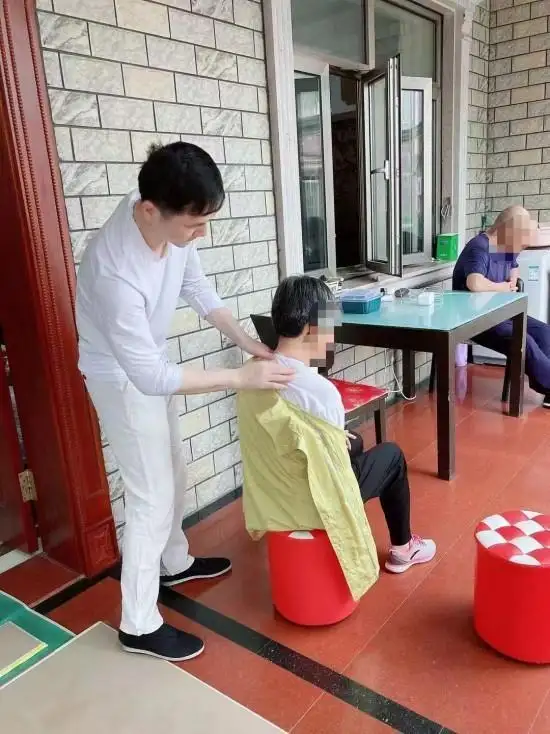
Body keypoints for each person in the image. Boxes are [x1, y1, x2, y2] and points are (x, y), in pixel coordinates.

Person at [76, 142, 295, 662]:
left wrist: (248, 343)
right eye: (195, 225)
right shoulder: (113, 271)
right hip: (121, 379)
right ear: (151, 211)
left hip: (149, 365)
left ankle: (173, 562)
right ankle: (138, 623)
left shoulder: (169, 217)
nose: (202, 234)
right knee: (149, 495)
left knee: (173, 469)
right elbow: (150, 378)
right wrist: (241, 378)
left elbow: (198, 290)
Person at [241, 275, 436, 575]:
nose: (332, 336)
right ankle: (404, 548)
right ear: (311, 329)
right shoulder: (320, 391)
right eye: (329, 326)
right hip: (315, 499)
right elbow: (335, 469)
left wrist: (332, 437)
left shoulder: (254, 373)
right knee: (392, 456)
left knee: (354, 440)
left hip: (274, 484)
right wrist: (333, 442)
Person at [453, 205, 550, 407]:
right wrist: (503, 288)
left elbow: (513, 266)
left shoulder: (502, 246)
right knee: (524, 341)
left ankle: (546, 383)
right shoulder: (480, 247)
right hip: (476, 319)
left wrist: (513, 279)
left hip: (500, 314)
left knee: (543, 331)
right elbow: (475, 283)